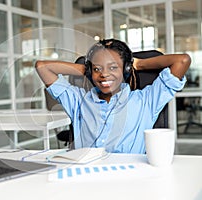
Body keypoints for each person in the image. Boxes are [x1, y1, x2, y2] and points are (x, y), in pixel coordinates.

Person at [35, 39, 191, 153]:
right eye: (97, 69)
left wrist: (138, 65)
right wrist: (88, 69)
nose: (104, 74)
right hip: (85, 177)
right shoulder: (78, 100)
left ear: (126, 69)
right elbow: (42, 67)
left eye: (113, 67)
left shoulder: (146, 101)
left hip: (127, 179)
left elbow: (182, 61)